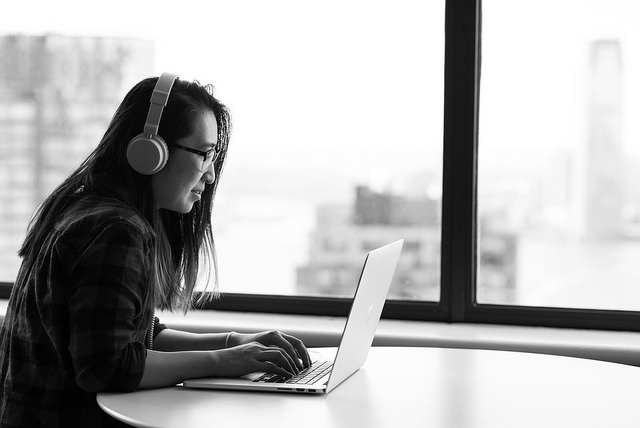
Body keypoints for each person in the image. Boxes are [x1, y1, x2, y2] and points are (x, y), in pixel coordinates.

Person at [0, 73, 311, 427]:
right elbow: (107, 367)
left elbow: (140, 334)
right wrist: (224, 361)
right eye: (204, 154)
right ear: (151, 151)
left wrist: (234, 342)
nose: (209, 176)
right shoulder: (116, 230)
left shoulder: (88, 208)